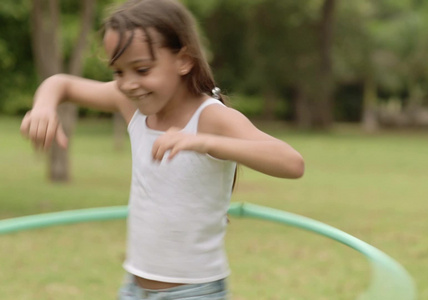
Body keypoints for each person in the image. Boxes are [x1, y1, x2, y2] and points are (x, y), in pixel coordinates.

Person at [19, 0, 305, 299]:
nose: (128, 84)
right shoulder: (132, 105)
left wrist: (204, 142)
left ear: (184, 60)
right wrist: (43, 107)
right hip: (135, 287)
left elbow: (291, 162)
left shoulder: (210, 117)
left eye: (142, 69)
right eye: (118, 72)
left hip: (195, 291)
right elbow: (61, 84)